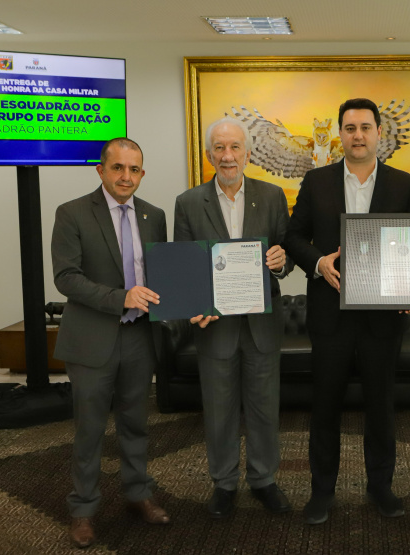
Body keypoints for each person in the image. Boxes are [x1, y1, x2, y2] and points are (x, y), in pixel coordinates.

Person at [284, 98, 410, 525]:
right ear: (339, 134)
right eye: (349, 128)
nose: (357, 135)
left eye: (365, 127)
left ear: (379, 132)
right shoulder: (317, 181)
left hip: (382, 318)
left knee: (381, 406)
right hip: (331, 314)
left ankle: (380, 486)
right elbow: (293, 236)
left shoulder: (403, 184)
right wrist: (318, 261)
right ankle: (321, 491)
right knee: (324, 405)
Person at [51, 137, 170, 548]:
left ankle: (138, 494)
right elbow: (66, 277)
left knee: (136, 423)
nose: (126, 176)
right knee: (89, 429)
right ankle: (83, 509)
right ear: (101, 170)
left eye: (134, 169)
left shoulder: (154, 216)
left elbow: (160, 276)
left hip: (140, 337)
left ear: (142, 173)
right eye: (118, 168)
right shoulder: (71, 213)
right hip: (91, 340)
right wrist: (119, 297)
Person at [174, 117, 293, 518]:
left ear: (247, 153)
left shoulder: (273, 196)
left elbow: (286, 257)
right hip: (215, 326)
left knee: (264, 407)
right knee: (219, 409)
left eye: (235, 148)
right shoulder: (189, 202)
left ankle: (264, 480)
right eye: (220, 149)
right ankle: (223, 483)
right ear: (210, 155)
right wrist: (194, 304)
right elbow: (186, 267)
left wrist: (279, 262)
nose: (228, 156)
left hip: (262, 326)